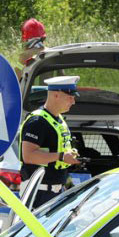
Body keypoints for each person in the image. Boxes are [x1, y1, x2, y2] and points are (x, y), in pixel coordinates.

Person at [20, 75, 80, 205]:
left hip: (56, 192)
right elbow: (28, 156)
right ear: (56, 95)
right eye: (70, 97)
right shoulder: (37, 121)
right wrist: (61, 156)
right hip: (38, 194)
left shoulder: (59, 119)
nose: (73, 102)